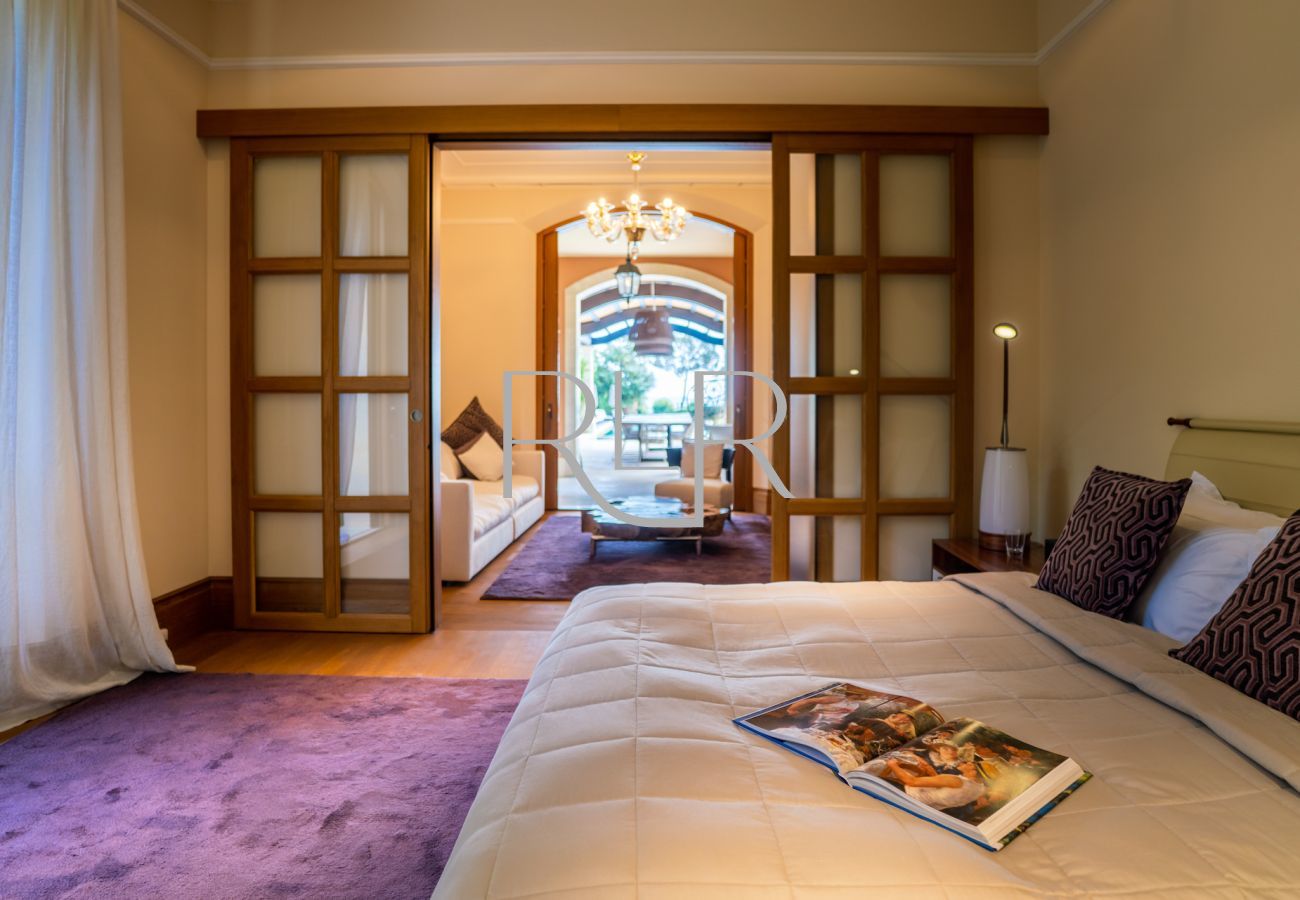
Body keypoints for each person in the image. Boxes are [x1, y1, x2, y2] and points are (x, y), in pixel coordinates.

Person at [885, 758, 988, 812]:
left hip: (905, 795)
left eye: (970, 764)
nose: (965, 763)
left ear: (974, 771)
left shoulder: (956, 780)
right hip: (919, 808)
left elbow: (912, 781)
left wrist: (893, 765)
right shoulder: (978, 790)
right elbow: (943, 791)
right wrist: (932, 772)